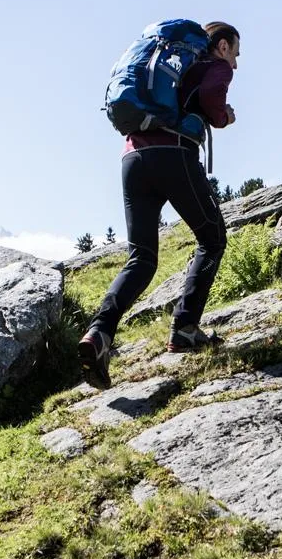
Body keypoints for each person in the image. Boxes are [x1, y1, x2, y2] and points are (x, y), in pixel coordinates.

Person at [78, 22, 240, 390]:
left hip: (133, 158)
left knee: (142, 258)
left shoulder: (169, 65)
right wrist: (222, 116)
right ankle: (184, 328)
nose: (236, 63)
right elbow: (214, 96)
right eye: (236, 53)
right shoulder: (212, 65)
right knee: (212, 239)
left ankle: (98, 333)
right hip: (173, 154)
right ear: (223, 45)